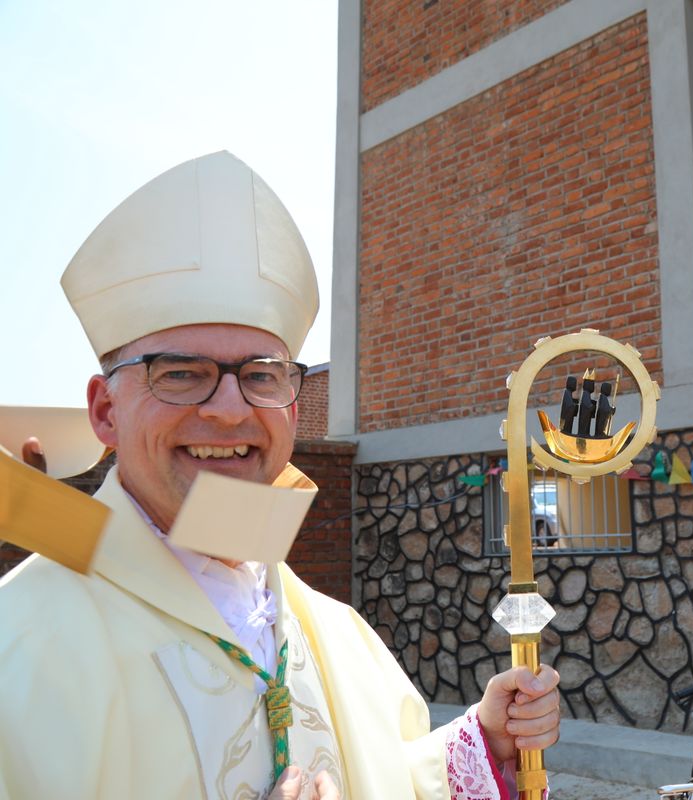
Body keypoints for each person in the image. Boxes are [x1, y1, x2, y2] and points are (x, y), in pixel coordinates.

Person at [0, 152, 560, 800]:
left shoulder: (336, 631)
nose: (230, 408)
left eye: (261, 375)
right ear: (105, 410)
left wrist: (480, 746)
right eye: (180, 372)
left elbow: (384, 775)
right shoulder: (22, 645)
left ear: (292, 412)